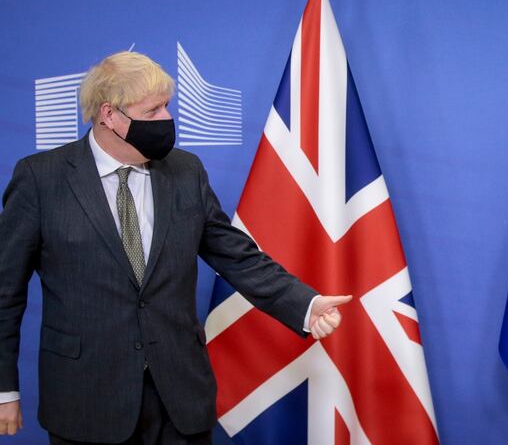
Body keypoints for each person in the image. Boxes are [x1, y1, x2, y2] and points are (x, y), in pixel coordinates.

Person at [0, 51, 351, 444]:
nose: (166, 119)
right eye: (152, 111)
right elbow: (4, 292)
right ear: (109, 115)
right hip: (87, 399)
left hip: (180, 399)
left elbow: (236, 255)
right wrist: (4, 390)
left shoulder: (186, 171)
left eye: (167, 106)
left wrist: (303, 303)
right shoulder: (40, 179)